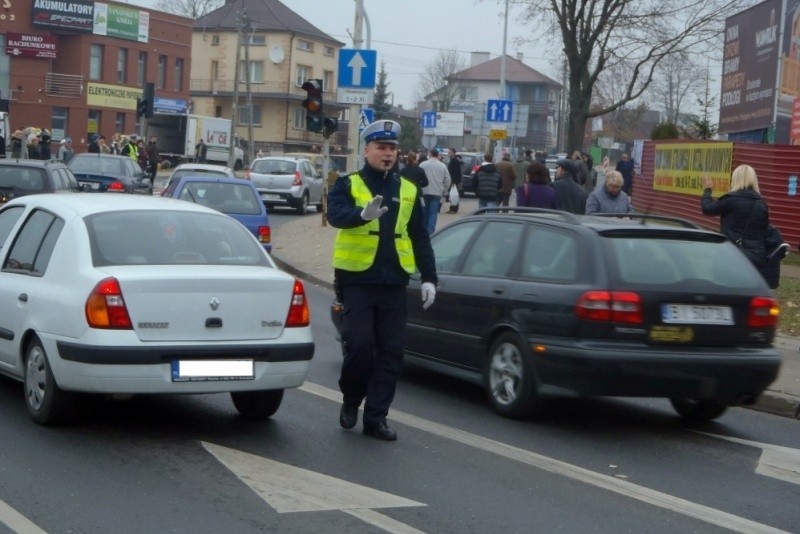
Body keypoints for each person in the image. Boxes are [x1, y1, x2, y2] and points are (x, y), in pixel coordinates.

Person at [327, 119, 437, 441]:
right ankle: (351, 399)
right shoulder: (348, 184)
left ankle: (376, 419)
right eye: (381, 148)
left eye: (392, 148)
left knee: (391, 353)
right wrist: (360, 216)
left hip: (394, 283)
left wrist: (430, 278)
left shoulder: (408, 188)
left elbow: (419, 235)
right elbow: (334, 215)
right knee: (360, 347)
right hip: (358, 282)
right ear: (367, 150)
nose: (388, 154)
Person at [701, 164, 772, 285]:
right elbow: (764, 230)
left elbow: (707, 209)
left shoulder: (730, 200)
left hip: (730, 255)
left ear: (735, 178)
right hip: (755, 258)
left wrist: (707, 190)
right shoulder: (761, 204)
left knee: (726, 290)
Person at [419, 148, 451, 235]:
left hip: (424, 191)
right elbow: (448, 179)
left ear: (429, 154)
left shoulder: (423, 164)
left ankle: (424, 229)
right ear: (438, 155)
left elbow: (418, 176)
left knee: (425, 211)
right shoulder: (442, 165)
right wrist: (445, 189)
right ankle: (431, 230)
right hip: (437, 192)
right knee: (433, 212)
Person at [446, 148, 462, 213]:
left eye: (449, 152)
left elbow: (455, 172)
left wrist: (453, 182)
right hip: (453, 180)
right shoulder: (452, 160)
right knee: (452, 195)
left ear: (453, 153)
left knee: (454, 195)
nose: (448, 154)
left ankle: (454, 209)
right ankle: (452, 208)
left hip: (454, 181)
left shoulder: (455, 161)